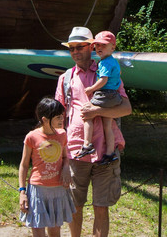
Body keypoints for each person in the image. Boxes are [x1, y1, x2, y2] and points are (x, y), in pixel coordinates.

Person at [55, 27, 131, 237]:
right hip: (76, 151)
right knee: (74, 205)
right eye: (71, 48)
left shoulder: (107, 71)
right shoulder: (66, 79)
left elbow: (126, 108)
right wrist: (62, 158)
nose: (75, 52)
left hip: (105, 151)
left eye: (80, 47)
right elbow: (59, 119)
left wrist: (98, 110)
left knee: (101, 206)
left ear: (92, 46)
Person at [18, 97, 75, 236]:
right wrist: (22, 192)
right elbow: (24, 165)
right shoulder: (32, 137)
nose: (62, 120)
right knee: (38, 230)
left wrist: (66, 167)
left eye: (62, 116)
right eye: (57, 117)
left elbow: (65, 157)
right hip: (38, 189)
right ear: (44, 119)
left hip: (58, 189)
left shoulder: (62, 134)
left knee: (55, 230)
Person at [76, 31, 122, 162]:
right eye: (97, 45)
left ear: (113, 47)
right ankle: (110, 153)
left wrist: (91, 89)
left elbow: (103, 80)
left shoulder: (105, 63)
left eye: (103, 45)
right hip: (113, 96)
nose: (99, 48)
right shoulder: (113, 62)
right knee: (107, 124)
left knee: (87, 112)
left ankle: (86, 144)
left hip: (105, 94)